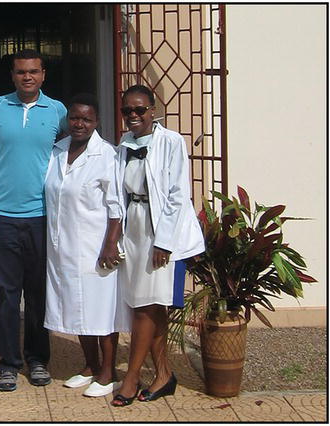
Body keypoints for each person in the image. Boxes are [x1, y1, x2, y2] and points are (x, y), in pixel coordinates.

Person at [111, 84, 205, 406]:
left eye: (140, 110)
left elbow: (178, 196)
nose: (133, 116)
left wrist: (164, 242)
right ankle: (164, 374)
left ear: (153, 111)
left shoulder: (171, 142)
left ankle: (132, 376)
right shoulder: (123, 145)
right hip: (134, 228)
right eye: (127, 111)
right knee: (149, 304)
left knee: (146, 306)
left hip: (162, 231)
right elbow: (117, 193)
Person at [0, 49, 67, 392]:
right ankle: (7, 362)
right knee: (5, 294)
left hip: (42, 217)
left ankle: (37, 359)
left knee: (37, 294)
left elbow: (67, 158)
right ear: (12, 75)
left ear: (43, 74)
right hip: (1, 215)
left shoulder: (58, 111)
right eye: (20, 72)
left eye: (33, 71)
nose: (27, 77)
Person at [43, 93, 131, 397]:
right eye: (75, 118)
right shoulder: (58, 151)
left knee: (102, 309)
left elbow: (116, 205)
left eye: (86, 119)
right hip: (63, 246)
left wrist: (110, 244)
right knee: (76, 307)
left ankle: (108, 372)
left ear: (97, 122)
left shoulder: (107, 155)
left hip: (95, 246)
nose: (79, 124)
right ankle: (90, 365)